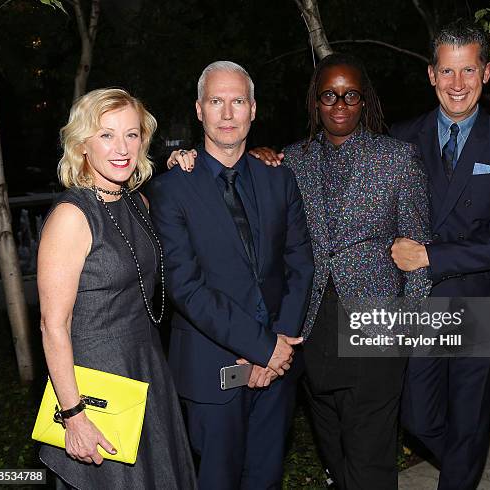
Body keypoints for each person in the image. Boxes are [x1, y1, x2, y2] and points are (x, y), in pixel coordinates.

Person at [170, 53, 432, 489]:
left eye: (351, 94)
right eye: (329, 94)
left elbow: (419, 258)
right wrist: (186, 157)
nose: (340, 104)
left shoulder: (398, 159)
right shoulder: (290, 161)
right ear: (315, 101)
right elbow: (245, 186)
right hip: (308, 341)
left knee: (370, 463)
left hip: (375, 335)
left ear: (364, 100)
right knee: (334, 457)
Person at [147, 61, 314, 490]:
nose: (226, 113)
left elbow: (300, 263)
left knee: (265, 479)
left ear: (253, 109)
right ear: (199, 110)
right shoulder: (171, 190)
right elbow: (186, 287)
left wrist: (280, 342)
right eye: (215, 101)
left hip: (277, 369)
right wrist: (261, 347)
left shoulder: (279, 179)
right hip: (211, 372)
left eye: (237, 101)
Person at [389, 21, 490, 490]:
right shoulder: (401, 140)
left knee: (469, 422)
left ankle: (460, 471)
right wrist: (269, 158)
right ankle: (463, 460)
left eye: (468, 70)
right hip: (422, 309)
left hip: (483, 305)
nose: (457, 84)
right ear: (432, 75)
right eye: (447, 72)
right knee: (416, 414)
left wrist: (430, 256)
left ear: (486, 72)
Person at [37, 88, 196, 489]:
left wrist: (184, 162)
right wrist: (73, 416)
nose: (122, 147)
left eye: (132, 134)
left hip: (146, 374)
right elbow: (53, 325)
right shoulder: (72, 216)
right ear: (82, 144)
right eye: (106, 135)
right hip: (97, 390)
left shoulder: (137, 203)